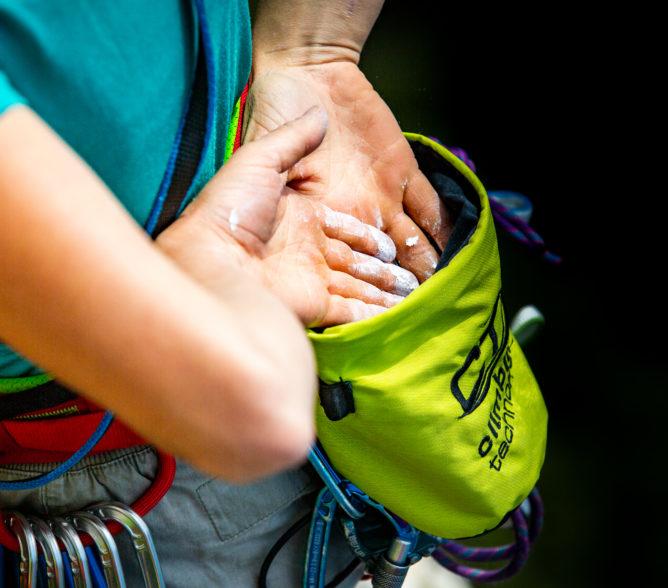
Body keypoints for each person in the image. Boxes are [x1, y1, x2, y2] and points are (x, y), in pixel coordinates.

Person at [0, 1, 453, 585]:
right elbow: (256, 415)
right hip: (158, 458)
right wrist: (212, 259)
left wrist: (315, 46)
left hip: (286, 309)